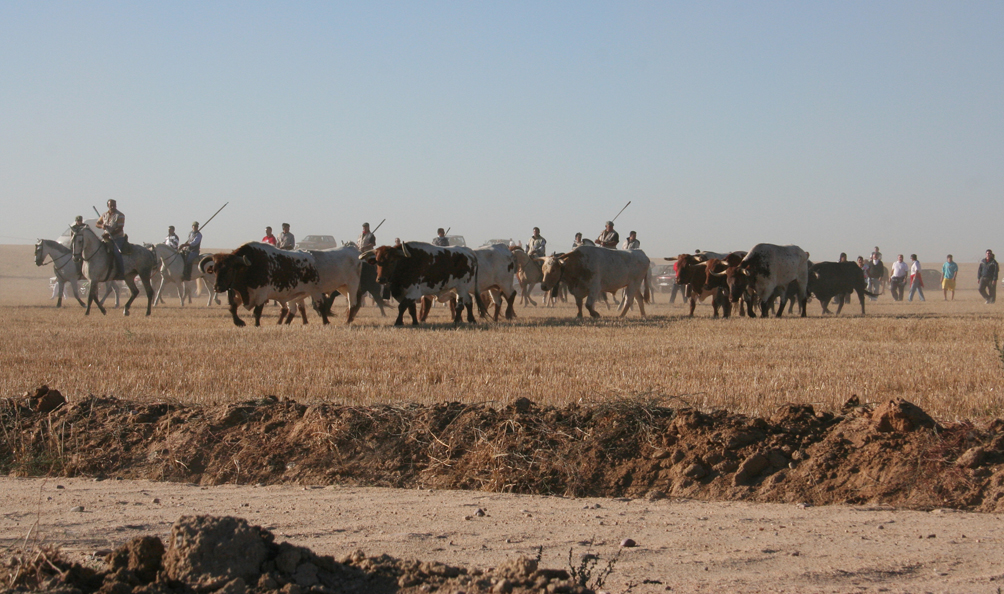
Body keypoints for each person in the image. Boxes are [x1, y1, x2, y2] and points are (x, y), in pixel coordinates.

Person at [95, 199, 126, 278]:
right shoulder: (104, 215)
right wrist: (102, 226)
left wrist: (109, 234)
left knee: (116, 252)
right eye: (111, 205)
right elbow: (97, 224)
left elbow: (120, 228)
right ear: (108, 206)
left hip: (118, 238)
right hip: (107, 238)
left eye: (114, 205)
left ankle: (121, 271)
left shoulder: (120, 215)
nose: (112, 207)